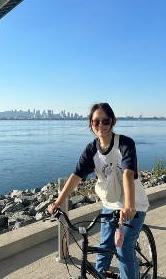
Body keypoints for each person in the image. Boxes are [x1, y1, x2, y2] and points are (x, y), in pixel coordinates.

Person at [48, 102, 149, 279]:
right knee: (104, 247)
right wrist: (58, 203)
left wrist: (129, 207)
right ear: (91, 124)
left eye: (105, 121)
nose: (101, 125)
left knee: (124, 248)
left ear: (113, 122)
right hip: (110, 203)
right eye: (96, 122)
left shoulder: (125, 143)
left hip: (133, 205)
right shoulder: (91, 149)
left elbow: (128, 173)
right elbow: (76, 176)